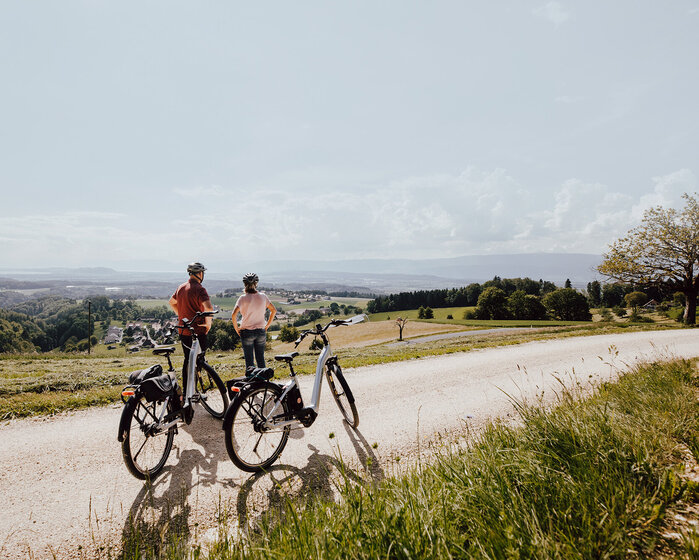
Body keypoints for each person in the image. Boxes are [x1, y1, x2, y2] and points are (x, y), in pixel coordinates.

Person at [169, 262, 214, 393]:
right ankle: (195, 390)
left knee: (187, 360)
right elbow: (209, 308)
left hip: (183, 330)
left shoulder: (181, 287)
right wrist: (208, 324)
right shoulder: (200, 289)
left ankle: (187, 392)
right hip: (198, 330)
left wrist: (181, 314)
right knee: (199, 361)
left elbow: (172, 302)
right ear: (200, 274)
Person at [231, 273, 276, 371]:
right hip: (260, 331)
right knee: (260, 359)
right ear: (256, 284)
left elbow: (233, 315)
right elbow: (273, 310)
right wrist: (267, 325)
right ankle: (263, 383)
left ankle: (251, 384)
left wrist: (236, 329)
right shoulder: (263, 296)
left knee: (249, 362)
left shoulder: (242, 298)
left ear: (244, 284)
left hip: (246, 331)